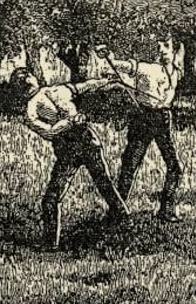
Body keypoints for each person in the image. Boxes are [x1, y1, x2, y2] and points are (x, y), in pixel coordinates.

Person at [14, 67, 129, 250]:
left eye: (26, 75)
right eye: (21, 79)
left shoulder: (56, 89)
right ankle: (51, 243)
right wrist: (71, 121)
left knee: (104, 184)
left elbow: (85, 86)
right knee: (53, 198)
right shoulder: (30, 110)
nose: (26, 79)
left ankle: (125, 225)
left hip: (85, 140)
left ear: (34, 77)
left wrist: (107, 81)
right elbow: (49, 132)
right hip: (68, 148)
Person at [96, 37, 186, 222]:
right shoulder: (150, 68)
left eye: (166, 46)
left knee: (175, 168)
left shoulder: (176, 70)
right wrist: (111, 60)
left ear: (175, 49)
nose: (162, 50)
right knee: (130, 166)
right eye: (159, 46)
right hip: (144, 118)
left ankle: (166, 210)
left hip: (163, 119)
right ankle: (117, 212)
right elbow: (129, 67)